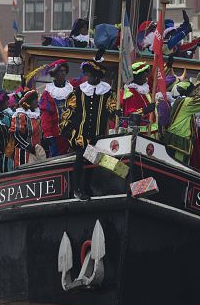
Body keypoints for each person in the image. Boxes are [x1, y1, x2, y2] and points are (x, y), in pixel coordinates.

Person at [59, 59, 119, 200]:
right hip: (81, 133)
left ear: (98, 76)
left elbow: (111, 109)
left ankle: (87, 187)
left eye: (92, 75)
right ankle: (77, 189)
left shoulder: (107, 92)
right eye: (88, 74)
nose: (90, 77)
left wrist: (115, 112)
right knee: (80, 160)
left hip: (98, 134)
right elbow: (71, 110)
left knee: (93, 161)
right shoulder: (79, 91)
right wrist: (65, 127)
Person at [39, 60, 74, 157]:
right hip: (55, 134)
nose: (63, 73)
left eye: (64, 71)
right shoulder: (48, 92)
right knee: (57, 158)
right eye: (60, 71)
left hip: (71, 133)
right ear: (55, 74)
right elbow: (46, 116)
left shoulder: (71, 88)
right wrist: (47, 134)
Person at [10, 89, 44, 169]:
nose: (36, 101)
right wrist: (28, 147)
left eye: (36, 99)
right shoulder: (21, 115)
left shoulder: (37, 115)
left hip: (37, 152)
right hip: (23, 153)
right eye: (34, 100)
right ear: (28, 103)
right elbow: (16, 135)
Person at [120, 61, 157, 135]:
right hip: (138, 132)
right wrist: (145, 110)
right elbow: (129, 114)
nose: (146, 76)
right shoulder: (130, 93)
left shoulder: (144, 88)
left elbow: (155, 78)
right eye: (144, 74)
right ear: (136, 76)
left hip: (150, 129)